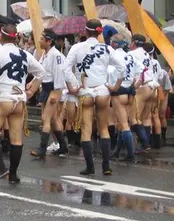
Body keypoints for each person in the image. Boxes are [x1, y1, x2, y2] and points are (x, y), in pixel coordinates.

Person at [0, 24, 46, 186]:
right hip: (19, 99)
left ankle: (1, 167)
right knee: (16, 139)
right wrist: (32, 89)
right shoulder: (24, 54)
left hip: (2, 97)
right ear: (15, 37)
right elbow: (41, 72)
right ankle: (14, 175)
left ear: (0, 36)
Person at [63, 19, 125, 176]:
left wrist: (73, 86)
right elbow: (121, 68)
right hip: (103, 91)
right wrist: (115, 86)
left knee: (86, 129)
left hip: (85, 91)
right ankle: (106, 166)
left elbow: (66, 68)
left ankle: (90, 167)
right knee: (104, 128)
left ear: (85, 31)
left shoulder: (77, 48)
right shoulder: (106, 48)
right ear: (99, 33)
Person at [30, 29, 68, 158]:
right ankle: (63, 146)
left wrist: (56, 95)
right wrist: (33, 82)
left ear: (49, 41)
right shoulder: (45, 54)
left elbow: (59, 76)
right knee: (54, 119)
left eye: (41, 38)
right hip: (45, 88)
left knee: (45, 119)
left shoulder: (56, 55)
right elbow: (41, 72)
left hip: (53, 89)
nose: (39, 41)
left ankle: (42, 148)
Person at [108, 34, 142, 162]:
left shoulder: (114, 56)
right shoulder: (131, 56)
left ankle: (131, 155)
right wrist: (135, 84)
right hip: (130, 92)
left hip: (119, 91)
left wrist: (110, 86)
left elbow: (110, 72)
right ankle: (117, 151)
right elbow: (142, 71)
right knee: (124, 123)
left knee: (123, 124)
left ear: (114, 43)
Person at [127, 34, 154, 151]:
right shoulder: (147, 54)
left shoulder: (131, 54)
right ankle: (146, 144)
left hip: (141, 87)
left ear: (133, 42)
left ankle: (145, 144)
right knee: (146, 118)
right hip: (153, 87)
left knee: (133, 118)